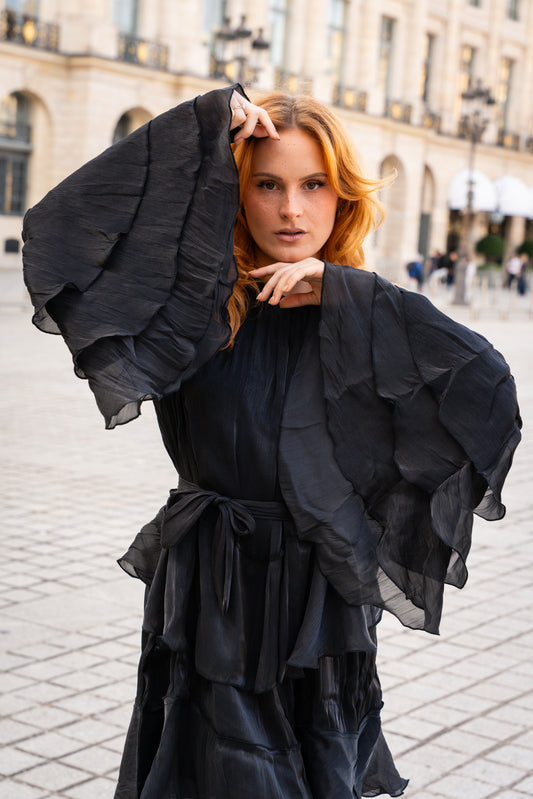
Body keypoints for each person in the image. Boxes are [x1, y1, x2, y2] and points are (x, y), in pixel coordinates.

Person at [22, 85, 521, 799]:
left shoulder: (365, 313)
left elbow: (488, 390)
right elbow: (60, 232)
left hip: (321, 604)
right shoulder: (190, 307)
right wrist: (201, 124)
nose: (292, 209)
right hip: (214, 593)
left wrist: (349, 295)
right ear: (237, 190)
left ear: (340, 195)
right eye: (268, 184)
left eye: (314, 185)